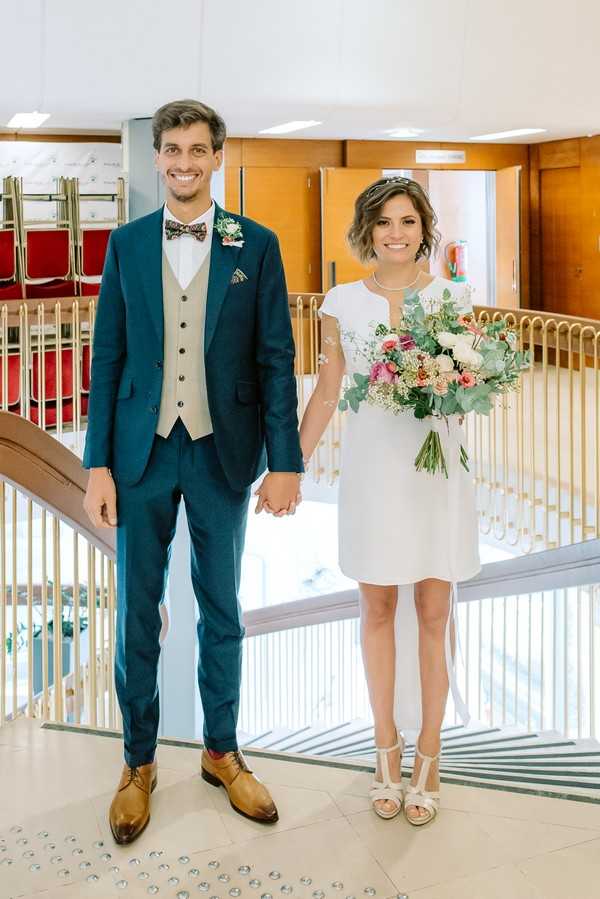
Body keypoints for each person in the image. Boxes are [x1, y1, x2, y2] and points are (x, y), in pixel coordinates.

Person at [83, 98, 303, 844]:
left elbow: (277, 357)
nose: (183, 161)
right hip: (140, 455)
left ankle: (221, 751)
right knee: (137, 613)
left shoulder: (258, 244)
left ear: (218, 156)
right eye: (171, 149)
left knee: (223, 610)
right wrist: (98, 464)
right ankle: (137, 763)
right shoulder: (126, 244)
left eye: (197, 149)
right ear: (157, 157)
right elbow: (106, 356)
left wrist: (285, 462)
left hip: (222, 451)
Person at [299, 176, 480, 826]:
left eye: (407, 221)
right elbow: (326, 388)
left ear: (422, 227)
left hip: (435, 472)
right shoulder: (341, 301)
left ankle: (429, 755)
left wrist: (453, 381)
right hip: (374, 469)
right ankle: (385, 749)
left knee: (434, 611)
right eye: (384, 223)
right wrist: (292, 461)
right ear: (367, 230)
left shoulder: (454, 296)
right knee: (376, 607)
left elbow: (470, 376)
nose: (396, 233)